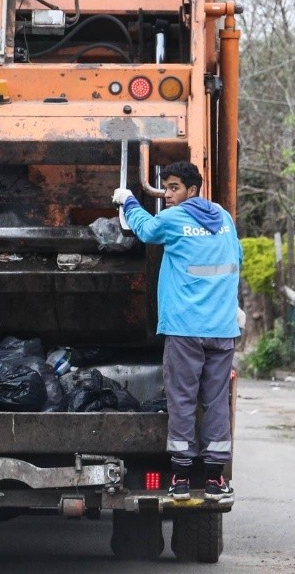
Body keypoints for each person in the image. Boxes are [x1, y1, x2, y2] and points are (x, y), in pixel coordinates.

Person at [112, 160, 242, 501]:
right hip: (222, 329)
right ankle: (215, 479)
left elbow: (146, 230)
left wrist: (128, 201)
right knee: (215, 402)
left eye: (174, 188)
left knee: (182, 400)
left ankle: (181, 478)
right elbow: (235, 261)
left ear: (192, 191)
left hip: (185, 329)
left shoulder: (175, 219)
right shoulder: (225, 221)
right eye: (165, 187)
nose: (167, 194)